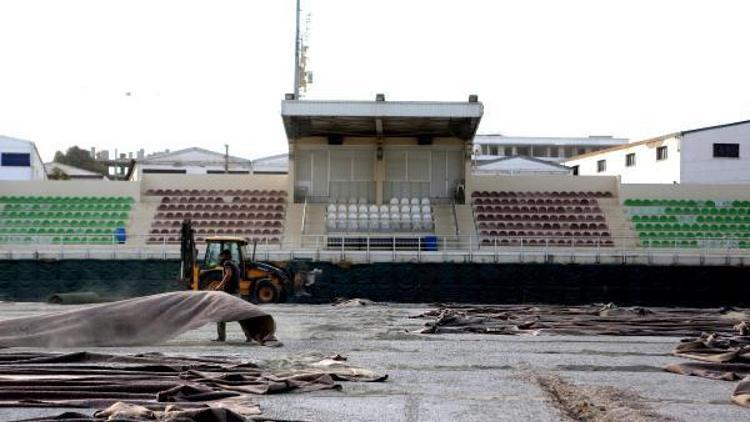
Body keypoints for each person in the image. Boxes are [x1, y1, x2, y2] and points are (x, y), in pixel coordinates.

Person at [213, 249, 241, 342]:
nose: (220, 258)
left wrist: (219, 286)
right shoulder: (235, 264)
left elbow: (228, 275)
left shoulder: (227, 263)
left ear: (225, 256)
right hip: (236, 293)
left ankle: (221, 337)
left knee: (220, 316)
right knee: (241, 316)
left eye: (221, 256)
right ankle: (249, 336)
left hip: (230, 294)